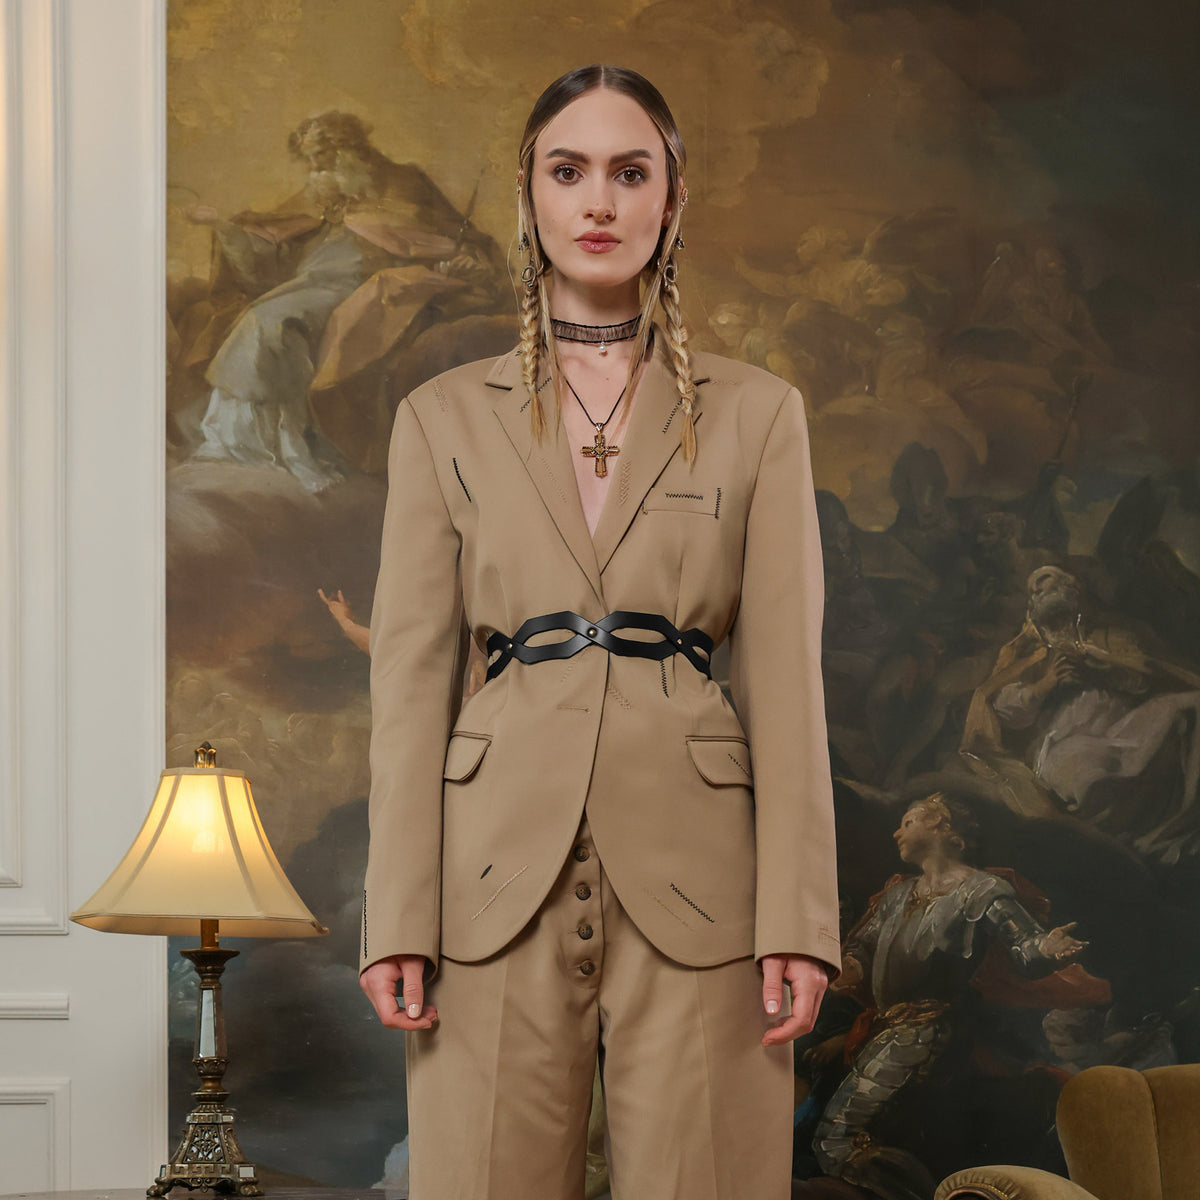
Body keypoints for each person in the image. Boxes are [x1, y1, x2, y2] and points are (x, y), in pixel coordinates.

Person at [357, 65, 840, 1200]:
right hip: (486, 875)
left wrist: (800, 920)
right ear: (528, 199)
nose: (600, 202)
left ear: (672, 202)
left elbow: (785, 680)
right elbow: (411, 684)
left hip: (705, 883)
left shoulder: (762, 413)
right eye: (568, 171)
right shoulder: (438, 417)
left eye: (633, 173)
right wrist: (396, 916)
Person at [182, 111, 502, 490]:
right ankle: (248, 444)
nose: (313, 166)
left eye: (320, 155)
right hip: (310, 282)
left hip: (366, 286)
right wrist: (222, 226)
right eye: (309, 158)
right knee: (259, 315)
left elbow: (461, 241)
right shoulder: (321, 192)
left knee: (272, 320)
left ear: (347, 149)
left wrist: (466, 261)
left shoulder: (405, 182)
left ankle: (290, 450)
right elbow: (272, 242)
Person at [812, 794, 1092, 1192]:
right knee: (859, 1134)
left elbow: (1024, 948)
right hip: (888, 1030)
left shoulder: (981, 891)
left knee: (835, 1137)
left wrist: (1046, 947)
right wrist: (847, 969)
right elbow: (862, 949)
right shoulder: (897, 894)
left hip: (927, 1031)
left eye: (908, 822)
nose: (897, 832)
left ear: (943, 827)